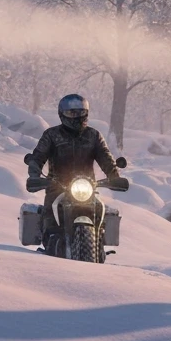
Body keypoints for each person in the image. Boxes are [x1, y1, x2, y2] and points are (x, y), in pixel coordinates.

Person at [27, 94, 122, 255]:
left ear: (86, 113)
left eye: (80, 113)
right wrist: (34, 173)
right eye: (71, 113)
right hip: (57, 186)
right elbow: (38, 156)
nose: (76, 117)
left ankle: (98, 240)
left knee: (100, 210)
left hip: (87, 187)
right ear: (62, 114)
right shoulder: (51, 135)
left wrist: (115, 176)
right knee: (50, 220)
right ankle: (51, 243)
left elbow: (105, 157)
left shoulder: (93, 135)